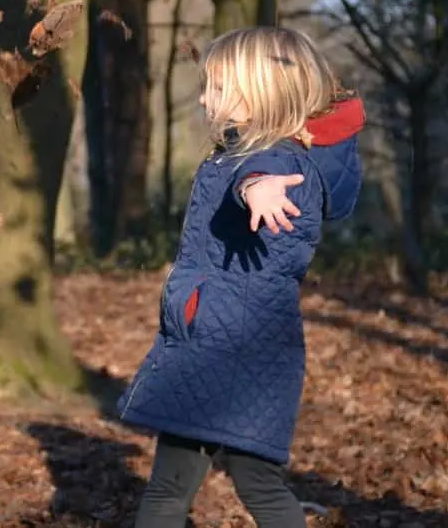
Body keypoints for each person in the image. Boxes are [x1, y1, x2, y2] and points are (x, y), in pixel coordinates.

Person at [117, 26, 365, 528]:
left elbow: (260, 182)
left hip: (223, 346)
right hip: (241, 341)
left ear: (257, 95)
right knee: (255, 482)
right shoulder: (252, 153)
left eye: (216, 87)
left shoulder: (275, 160)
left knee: (172, 490)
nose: (205, 98)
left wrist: (257, 191)